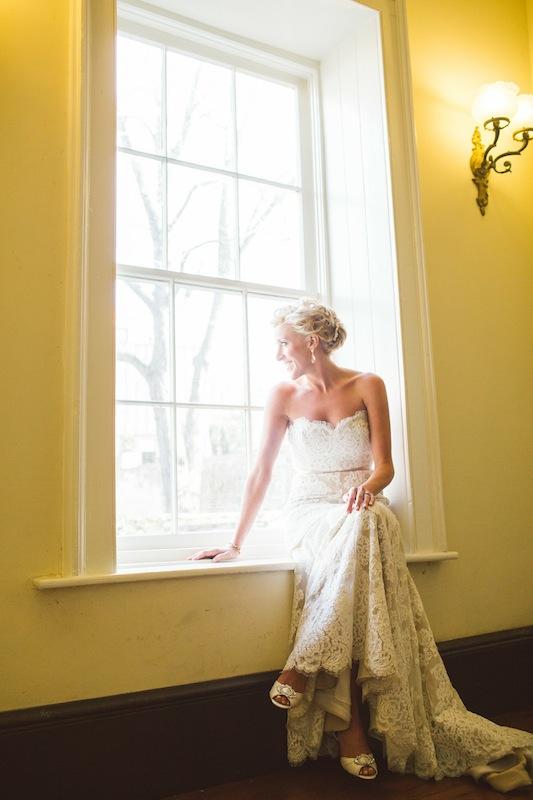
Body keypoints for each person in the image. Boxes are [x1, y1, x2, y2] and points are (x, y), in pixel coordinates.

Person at [187, 297, 533, 792]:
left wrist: (366, 490)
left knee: (367, 522)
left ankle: (312, 671)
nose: (278, 353)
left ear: (311, 342)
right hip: (311, 513)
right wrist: (235, 542)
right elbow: (261, 471)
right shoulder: (282, 394)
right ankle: (340, 717)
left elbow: (384, 466)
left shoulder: (368, 384)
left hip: (363, 505)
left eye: (283, 343)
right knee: (363, 531)